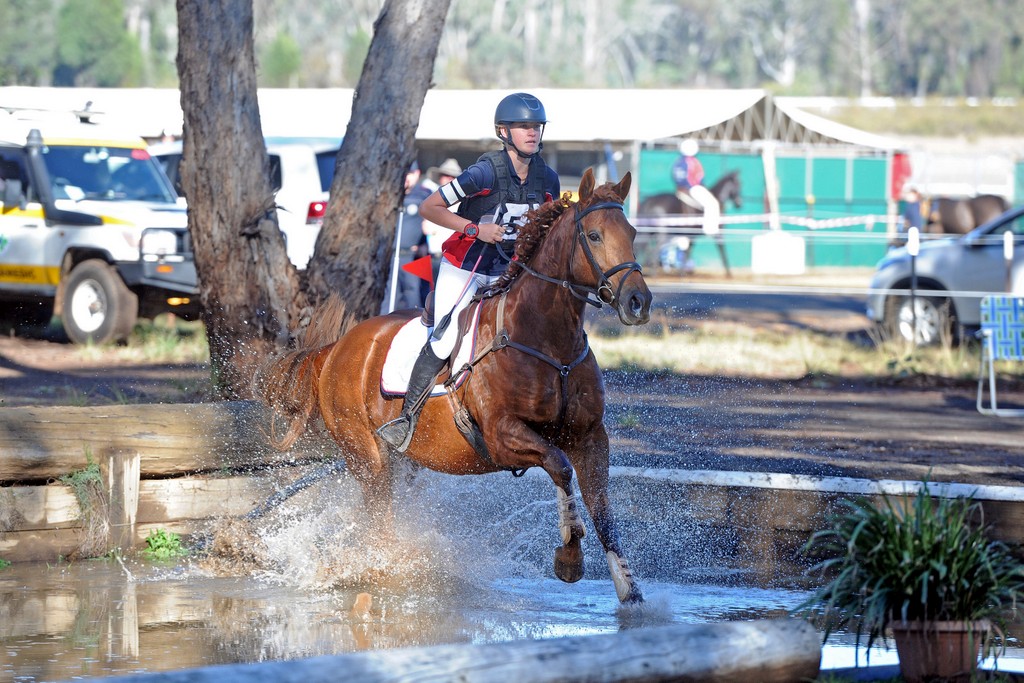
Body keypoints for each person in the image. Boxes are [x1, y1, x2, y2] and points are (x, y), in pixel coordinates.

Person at [378, 92, 560, 452]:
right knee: (446, 338)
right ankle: (405, 420)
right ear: (502, 132)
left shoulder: (548, 179)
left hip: (511, 272)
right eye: (523, 126)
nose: (532, 132)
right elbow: (431, 207)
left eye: (536, 126)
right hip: (467, 268)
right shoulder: (484, 172)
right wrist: (475, 229)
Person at [389, 162, 432, 310]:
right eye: (405, 173)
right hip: (392, 257)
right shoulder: (390, 194)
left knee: (415, 300)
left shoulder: (424, 194)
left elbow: (433, 222)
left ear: (417, 174)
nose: (407, 178)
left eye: (410, 174)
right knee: (389, 300)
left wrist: (425, 244)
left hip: (414, 257)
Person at [421, 157, 463, 299]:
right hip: (433, 255)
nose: (448, 179)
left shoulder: (462, 204)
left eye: (452, 177)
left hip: (451, 257)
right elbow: (425, 228)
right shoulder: (431, 200)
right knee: (428, 297)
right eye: (446, 175)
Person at [671, 139, 720, 236]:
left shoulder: (678, 161)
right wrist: (695, 186)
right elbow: (697, 178)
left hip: (680, 188)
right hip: (692, 188)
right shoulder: (692, 162)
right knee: (713, 204)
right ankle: (710, 229)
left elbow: (674, 176)